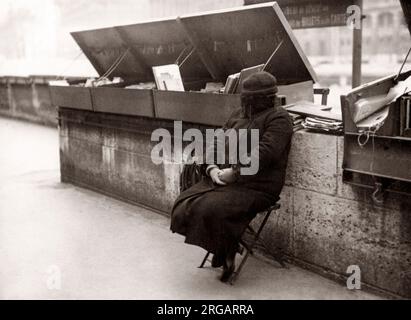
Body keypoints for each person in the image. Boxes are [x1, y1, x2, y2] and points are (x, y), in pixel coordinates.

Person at [170, 71, 293, 282]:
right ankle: (227, 244)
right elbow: (217, 142)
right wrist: (212, 168)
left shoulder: (280, 118)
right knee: (184, 204)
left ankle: (226, 251)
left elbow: (265, 153)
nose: (248, 104)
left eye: (253, 100)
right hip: (225, 176)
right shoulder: (239, 114)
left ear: (267, 98)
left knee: (213, 208)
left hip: (259, 185)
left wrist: (234, 174)